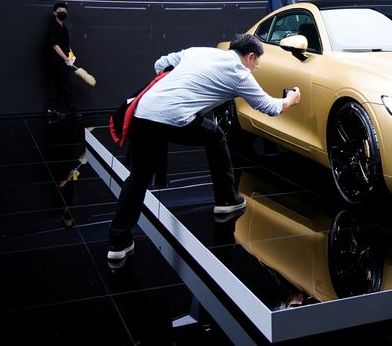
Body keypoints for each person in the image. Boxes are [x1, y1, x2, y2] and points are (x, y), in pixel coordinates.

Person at [107, 34, 302, 260]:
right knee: (216, 136)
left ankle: (117, 243)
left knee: (138, 178)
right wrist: (291, 100)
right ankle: (226, 201)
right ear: (250, 57)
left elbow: (160, 63)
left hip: (142, 113)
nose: (256, 67)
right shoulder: (240, 73)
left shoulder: (200, 51)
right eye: (257, 61)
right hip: (172, 118)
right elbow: (268, 107)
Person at [46, 2, 80, 121]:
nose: (63, 12)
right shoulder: (53, 27)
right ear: (55, 12)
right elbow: (55, 46)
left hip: (64, 62)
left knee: (58, 87)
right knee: (66, 86)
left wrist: (71, 56)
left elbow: (66, 46)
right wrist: (66, 59)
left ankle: (51, 110)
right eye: (60, 10)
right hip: (57, 62)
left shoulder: (64, 28)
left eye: (65, 11)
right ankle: (73, 111)